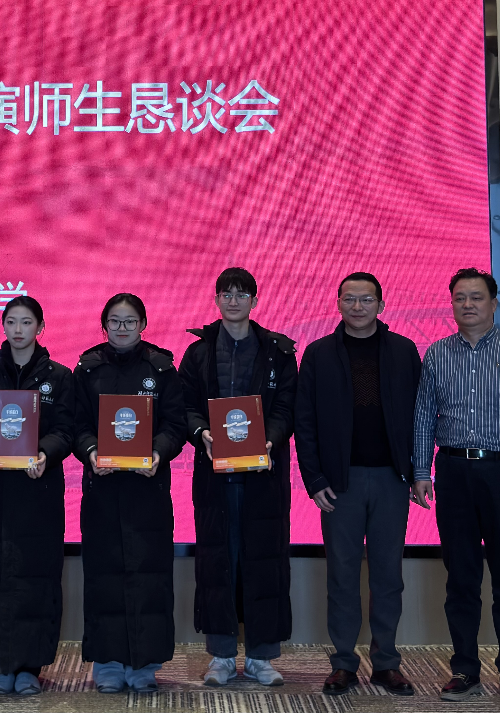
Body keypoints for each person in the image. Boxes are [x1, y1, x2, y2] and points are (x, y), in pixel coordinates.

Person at [413, 267, 500, 707]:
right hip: (453, 472)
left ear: (493, 302)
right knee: (461, 577)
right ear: (451, 304)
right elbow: (423, 418)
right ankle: (465, 670)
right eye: (459, 298)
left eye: (476, 297)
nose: (467, 304)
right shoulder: (437, 354)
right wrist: (421, 471)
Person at [294, 272, 422, 696]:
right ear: (338, 303)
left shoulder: (404, 351)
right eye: (349, 299)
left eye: (366, 300)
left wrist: (418, 471)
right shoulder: (318, 354)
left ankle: (386, 663)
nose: (358, 306)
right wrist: (314, 479)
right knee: (342, 575)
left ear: (381, 305)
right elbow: (304, 422)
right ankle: (344, 663)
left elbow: (421, 417)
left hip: (391, 480)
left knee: (388, 575)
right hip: (339, 483)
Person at [180, 267, 297, 687]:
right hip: (215, 476)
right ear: (216, 300)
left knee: (264, 562)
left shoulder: (278, 351)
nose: (233, 301)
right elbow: (185, 406)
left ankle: (263, 657)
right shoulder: (198, 353)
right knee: (218, 562)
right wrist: (202, 433)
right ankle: (222, 656)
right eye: (226, 294)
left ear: (255, 301)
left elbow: (286, 407)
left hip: (264, 475)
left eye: (241, 294)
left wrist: (270, 439)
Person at [0, 296, 75, 696]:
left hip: (39, 490)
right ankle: (0, 665)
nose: (19, 329)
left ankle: (30, 668)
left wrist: (45, 453)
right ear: (3, 326)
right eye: (12, 322)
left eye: (27, 322)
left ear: (40, 327)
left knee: (37, 577)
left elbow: (66, 430)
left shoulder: (59, 377)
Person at [73, 293, 186, 694]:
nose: (122, 329)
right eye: (115, 322)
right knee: (104, 576)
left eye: (130, 321)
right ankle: (107, 663)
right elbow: (77, 424)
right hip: (102, 489)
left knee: (149, 576)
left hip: (147, 488)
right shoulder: (88, 368)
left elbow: (175, 424)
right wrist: (90, 452)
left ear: (143, 324)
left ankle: (145, 664)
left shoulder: (161, 368)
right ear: (104, 325)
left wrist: (158, 452)